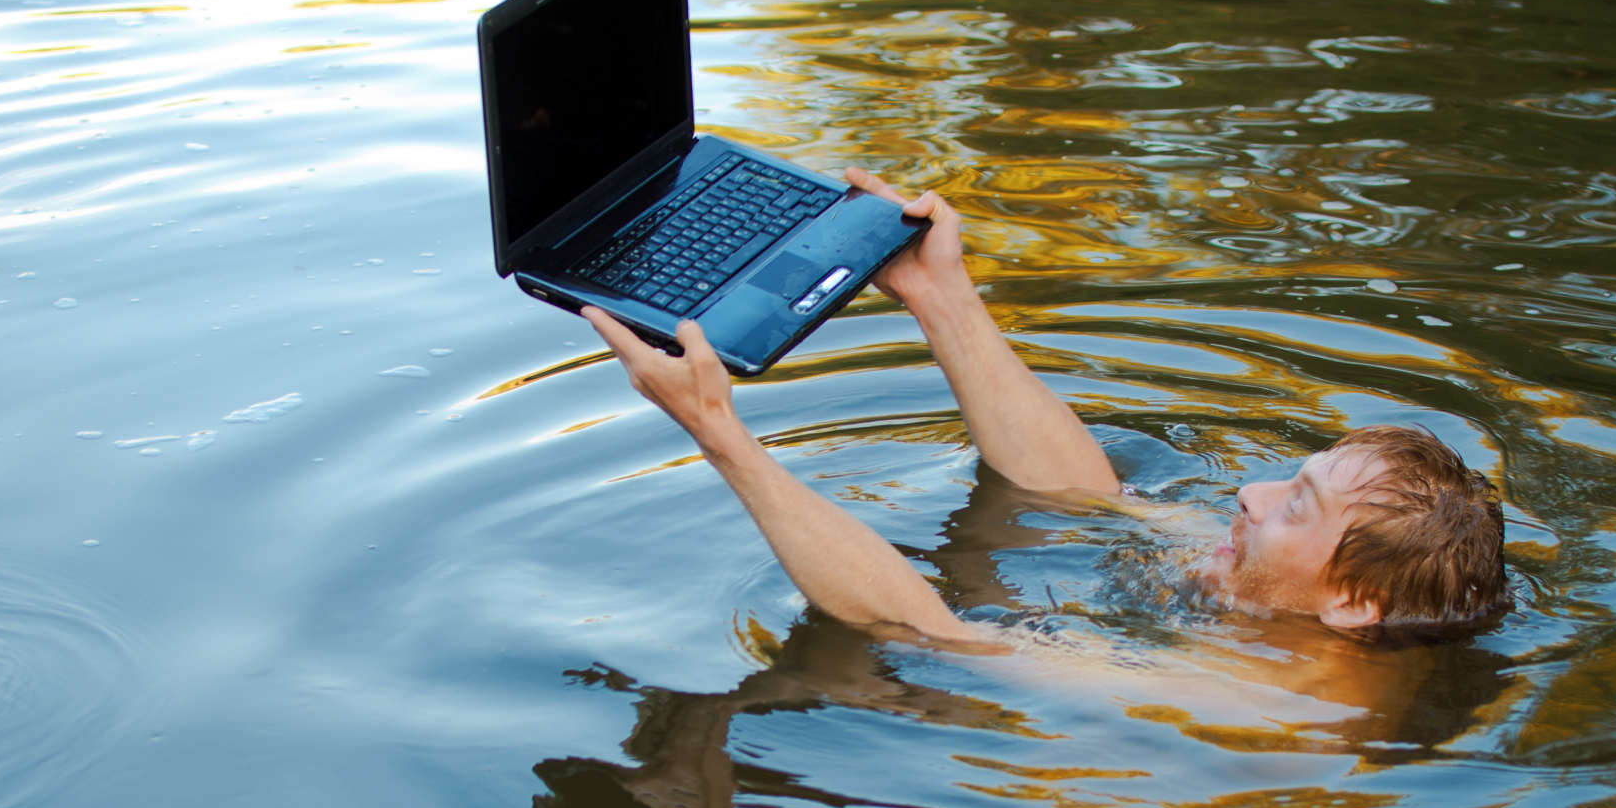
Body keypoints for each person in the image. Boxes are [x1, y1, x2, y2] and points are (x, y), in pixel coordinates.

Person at [583, 168, 1508, 646]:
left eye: (1297, 505)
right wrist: (941, 297)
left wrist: (720, 432)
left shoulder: (1266, 705)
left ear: (1351, 606)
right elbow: (1096, 501)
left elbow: (934, 636)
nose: (1253, 497)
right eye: (1289, 480)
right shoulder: (1280, 583)